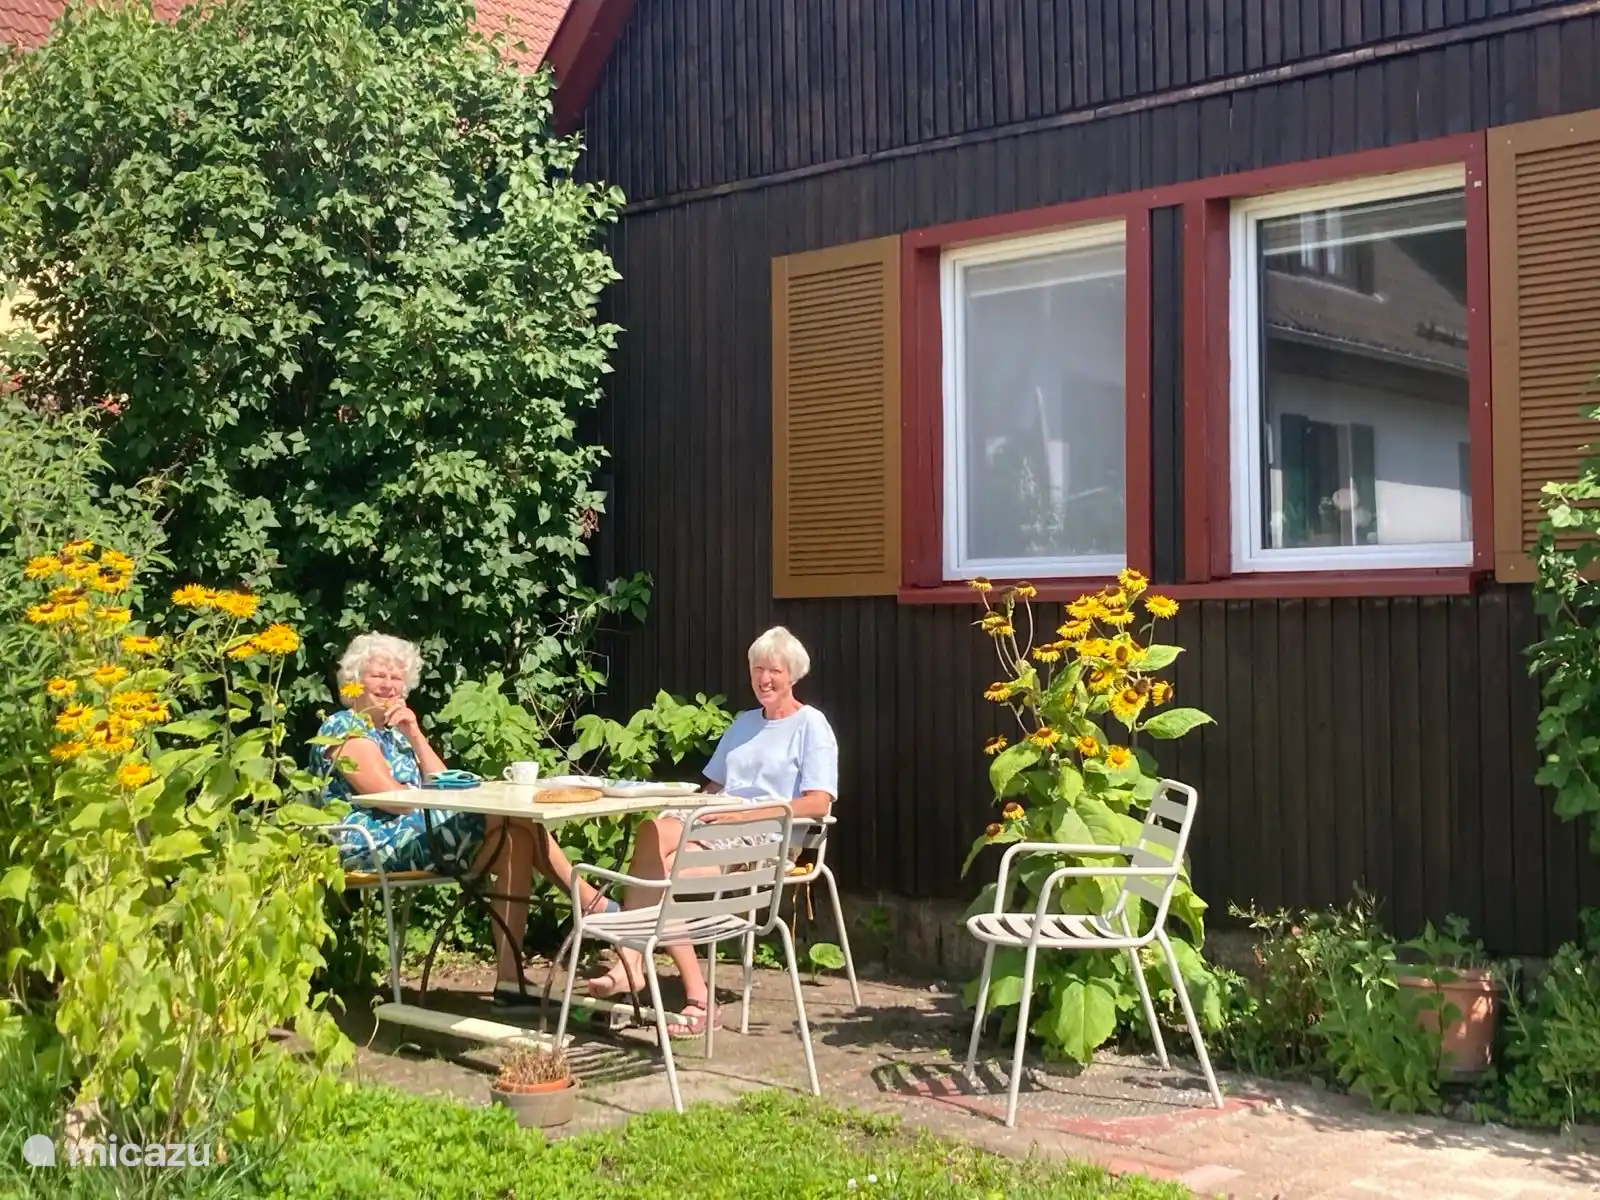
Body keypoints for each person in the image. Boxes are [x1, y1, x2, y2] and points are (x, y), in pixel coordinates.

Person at [315, 632, 614, 1007]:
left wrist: (415, 734)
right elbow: (391, 799)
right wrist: (436, 800)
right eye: (379, 676)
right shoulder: (344, 728)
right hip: (371, 840)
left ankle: (510, 981)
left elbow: (445, 784)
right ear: (354, 681)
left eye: (396, 678)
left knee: (517, 835)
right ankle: (592, 905)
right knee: (511, 820)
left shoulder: (393, 734)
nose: (389, 685)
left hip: (415, 831)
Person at [584, 626, 838, 1036]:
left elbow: (818, 802)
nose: (764, 679)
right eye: (757, 669)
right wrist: (690, 804)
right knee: (653, 829)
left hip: (765, 835)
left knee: (661, 876)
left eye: (773, 670)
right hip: (717, 824)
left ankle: (669, 983)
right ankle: (662, 981)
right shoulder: (742, 724)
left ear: (792, 674)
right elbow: (713, 788)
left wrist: (744, 815)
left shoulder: (811, 725)